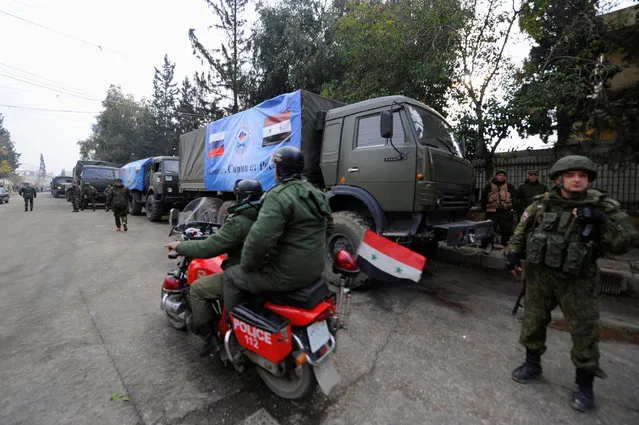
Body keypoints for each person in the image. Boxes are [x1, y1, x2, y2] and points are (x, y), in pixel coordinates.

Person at [505, 155, 634, 412]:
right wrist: (512, 254)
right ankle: (532, 364)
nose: (577, 180)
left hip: (577, 280)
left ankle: (584, 385)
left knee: (585, 330)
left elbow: (624, 243)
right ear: (558, 179)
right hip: (541, 276)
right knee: (534, 320)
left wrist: (600, 219)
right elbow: (521, 230)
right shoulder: (541, 204)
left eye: (583, 176)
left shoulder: (603, 206)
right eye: (572, 175)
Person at [223, 146, 333, 314]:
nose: (274, 171)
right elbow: (329, 227)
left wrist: (248, 266)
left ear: (279, 169)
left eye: (274, 167)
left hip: (285, 276)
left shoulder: (278, 195)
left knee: (231, 276)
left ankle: (233, 326)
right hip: (315, 271)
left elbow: (259, 240)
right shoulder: (318, 193)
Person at [164, 179, 263, 356]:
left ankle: (211, 340)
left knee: (197, 289)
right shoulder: (266, 216)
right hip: (263, 270)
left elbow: (208, 248)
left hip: (242, 274)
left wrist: (179, 246)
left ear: (241, 197)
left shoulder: (239, 221)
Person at [480, 169, 517, 254]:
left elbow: (515, 198)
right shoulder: (489, 186)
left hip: (506, 212)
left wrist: (513, 208)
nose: (501, 177)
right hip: (492, 212)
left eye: (503, 175)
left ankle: (506, 245)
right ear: (496, 176)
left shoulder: (510, 186)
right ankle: (489, 244)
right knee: (489, 229)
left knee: (506, 230)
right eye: (500, 175)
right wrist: (484, 209)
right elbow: (483, 198)